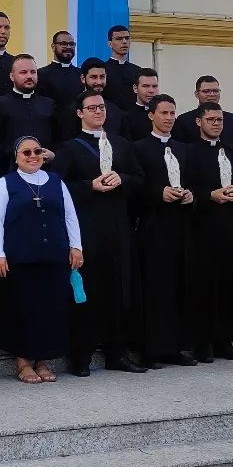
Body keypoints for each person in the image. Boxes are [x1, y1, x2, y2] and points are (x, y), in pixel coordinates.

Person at [55, 90, 146, 376]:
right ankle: (81, 356)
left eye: (101, 107)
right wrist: (89, 186)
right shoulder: (70, 148)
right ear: (80, 113)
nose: (98, 111)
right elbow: (58, 187)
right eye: (91, 107)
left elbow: (140, 180)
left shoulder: (121, 144)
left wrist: (124, 178)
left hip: (118, 228)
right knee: (86, 291)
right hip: (87, 229)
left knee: (118, 290)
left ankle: (116, 353)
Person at [0, 136, 82, 385]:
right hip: (21, 258)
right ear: (16, 157)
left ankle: (43, 360)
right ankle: (23, 362)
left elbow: (70, 215)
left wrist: (76, 247)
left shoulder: (55, 182)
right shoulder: (6, 183)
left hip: (54, 256)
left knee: (51, 308)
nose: (32, 156)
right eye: (26, 152)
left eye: (37, 151)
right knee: (24, 308)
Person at [180, 100, 233, 362]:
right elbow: (185, 187)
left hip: (231, 227)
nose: (216, 124)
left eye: (219, 120)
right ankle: (202, 343)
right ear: (199, 122)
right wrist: (209, 195)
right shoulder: (188, 152)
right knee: (203, 285)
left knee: (229, 285)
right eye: (210, 119)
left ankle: (225, 341)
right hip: (203, 227)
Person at [131, 94, 199, 368]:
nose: (169, 118)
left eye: (172, 113)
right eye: (164, 113)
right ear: (151, 115)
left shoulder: (184, 149)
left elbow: (194, 181)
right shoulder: (139, 148)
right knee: (156, 288)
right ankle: (152, 349)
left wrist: (191, 195)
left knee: (180, 285)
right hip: (154, 225)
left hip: (181, 224)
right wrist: (159, 193)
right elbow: (136, 186)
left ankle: (176, 346)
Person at [0, 54, 57, 177]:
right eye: (23, 72)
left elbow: (57, 138)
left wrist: (54, 155)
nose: (29, 76)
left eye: (33, 72)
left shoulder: (48, 104)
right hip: (10, 171)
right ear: (12, 76)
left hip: (46, 171)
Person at [54, 58, 129, 141]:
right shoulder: (70, 111)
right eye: (94, 77)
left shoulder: (116, 112)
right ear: (83, 78)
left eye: (102, 77)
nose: (99, 82)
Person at [37, 30, 82, 109]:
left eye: (71, 44)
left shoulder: (81, 74)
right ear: (53, 47)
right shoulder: (41, 74)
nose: (68, 47)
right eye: (63, 44)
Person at [103, 25, 141, 112]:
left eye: (127, 38)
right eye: (119, 39)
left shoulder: (138, 71)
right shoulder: (103, 70)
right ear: (110, 44)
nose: (124, 42)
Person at [123, 68, 160, 142]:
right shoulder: (125, 118)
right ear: (135, 88)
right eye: (145, 86)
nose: (151, 91)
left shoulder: (165, 114)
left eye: (154, 86)